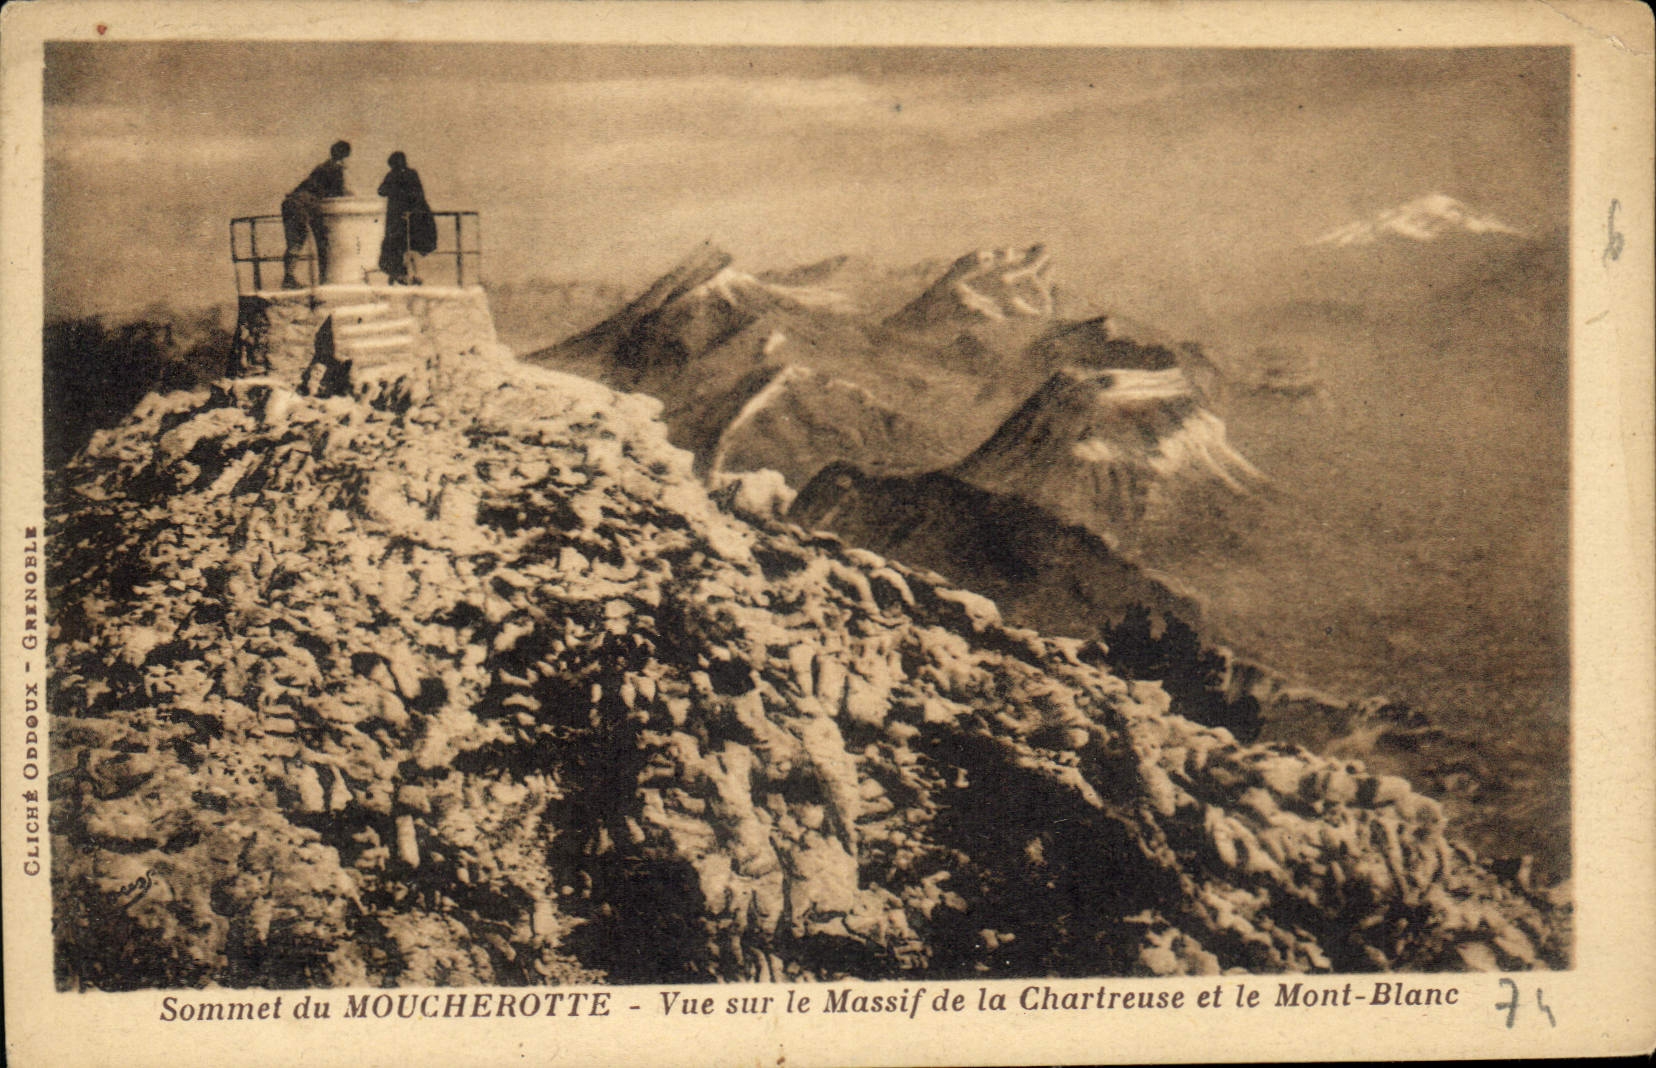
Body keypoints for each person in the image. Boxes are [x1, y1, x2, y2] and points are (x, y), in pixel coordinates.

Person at [280, 140, 352, 289]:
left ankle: (289, 277)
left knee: (294, 243)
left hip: (291, 202)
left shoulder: (321, 167)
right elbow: (339, 193)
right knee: (302, 241)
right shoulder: (335, 168)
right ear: (344, 156)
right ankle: (293, 279)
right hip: (303, 205)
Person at [378, 152, 436, 285]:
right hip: (413, 218)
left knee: (399, 246)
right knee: (410, 247)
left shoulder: (393, 175)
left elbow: (381, 191)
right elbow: (418, 195)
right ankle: (412, 274)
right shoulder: (411, 174)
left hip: (400, 219)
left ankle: (402, 274)